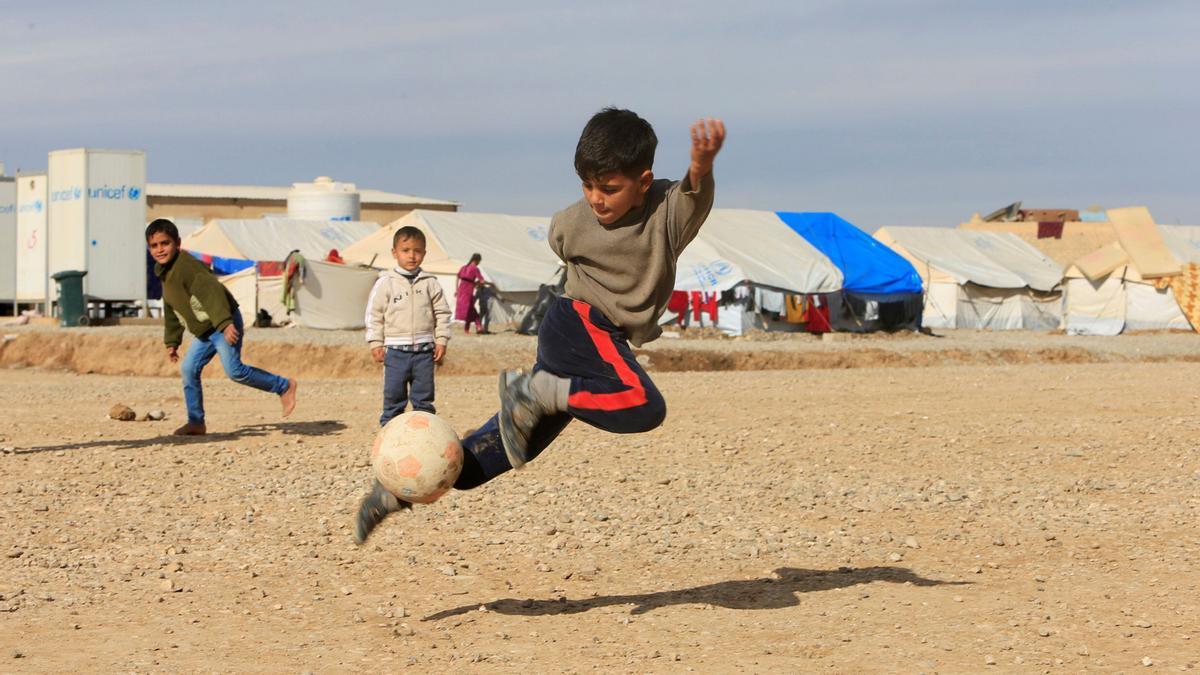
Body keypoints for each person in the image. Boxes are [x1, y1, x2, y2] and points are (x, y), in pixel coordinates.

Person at [354, 108, 725, 543]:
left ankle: (393, 492)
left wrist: (701, 163)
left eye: (609, 188)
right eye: (587, 185)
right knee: (642, 407)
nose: (596, 199)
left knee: (490, 459)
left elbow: (694, 192)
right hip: (582, 325)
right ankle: (539, 393)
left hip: (579, 335)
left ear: (644, 182)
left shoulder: (667, 214)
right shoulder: (571, 222)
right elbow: (568, 251)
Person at [147, 219, 298, 435]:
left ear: (177, 243)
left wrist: (226, 324)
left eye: (165, 243)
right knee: (189, 369)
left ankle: (284, 386)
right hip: (205, 330)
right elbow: (172, 309)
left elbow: (213, 294)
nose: (160, 249)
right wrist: (172, 342)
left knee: (235, 371)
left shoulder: (187, 267)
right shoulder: (164, 272)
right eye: (154, 245)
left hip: (222, 322)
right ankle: (196, 422)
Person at [364, 226, 452, 427]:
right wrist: (375, 342)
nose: (412, 256)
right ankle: (389, 433)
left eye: (417, 250)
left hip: (424, 351)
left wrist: (442, 340)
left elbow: (443, 313)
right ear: (394, 253)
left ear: (424, 253)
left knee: (424, 398)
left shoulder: (430, 283)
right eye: (406, 250)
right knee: (394, 396)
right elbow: (374, 314)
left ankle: (424, 436)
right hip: (395, 351)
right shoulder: (386, 283)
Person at [455, 253, 484, 333]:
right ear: (477, 260)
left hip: (461, 290)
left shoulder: (464, 267)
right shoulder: (475, 268)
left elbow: (457, 277)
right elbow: (482, 281)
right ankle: (478, 327)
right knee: (471, 309)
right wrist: (477, 284)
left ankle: (467, 329)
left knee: (469, 310)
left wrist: (456, 290)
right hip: (468, 291)